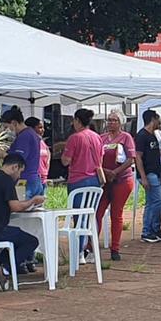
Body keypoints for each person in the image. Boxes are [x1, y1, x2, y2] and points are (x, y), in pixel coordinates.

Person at [0, 152, 45, 292]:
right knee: (31, 241)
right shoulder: (6, 181)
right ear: (14, 167)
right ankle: (4, 271)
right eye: (20, 171)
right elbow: (15, 206)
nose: (19, 176)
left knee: (16, 240)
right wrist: (32, 201)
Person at [61, 109, 106, 262]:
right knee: (89, 217)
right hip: (94, 181)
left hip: (78, 181)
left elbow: (66, 160)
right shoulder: (97, 137)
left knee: (78, 218)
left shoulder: (74, 138)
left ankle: (79, 252)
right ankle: (90, 250)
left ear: (78, 121)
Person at [97, 109, 136, 261]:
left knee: (116, 214)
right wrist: (105, 172)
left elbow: (131, 159)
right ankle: (89, 246)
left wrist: (116, 172)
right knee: (98, 212)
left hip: (122, 180)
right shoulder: (102, 138)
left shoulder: (126, 138)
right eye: (109, 120)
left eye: (114, 120)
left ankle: (115, 248)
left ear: (121, 122)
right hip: (105, 180)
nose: (111, 123)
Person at [0, 107, 46, 198]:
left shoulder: (24, 136)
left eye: (7, 127)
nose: (6, 130)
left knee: (20, 209)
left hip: (25, 181)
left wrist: (3, 154)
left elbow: (18, 159)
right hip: (34, 180)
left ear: (14, 123)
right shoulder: (30, 133)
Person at [134, 110, 161, 243]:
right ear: (153, 119)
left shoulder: (153, 136)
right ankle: (147, 230)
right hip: (148, 174)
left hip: (155, 173)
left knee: (152, 201)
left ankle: (154, 229)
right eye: (158, 119)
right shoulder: (142, 136)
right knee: (158, 199)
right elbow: (138, 156)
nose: (160, 122)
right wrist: (143, 176)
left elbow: (154, 157)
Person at [25, 117, 51, 189]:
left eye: (43, 127)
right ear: (31, 129)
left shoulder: (42, 142)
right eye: (40, 127)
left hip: (43, 179)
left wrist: (46, 171)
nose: (43, 130)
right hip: (31, 179)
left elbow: (47, 156)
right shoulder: (27, 142)